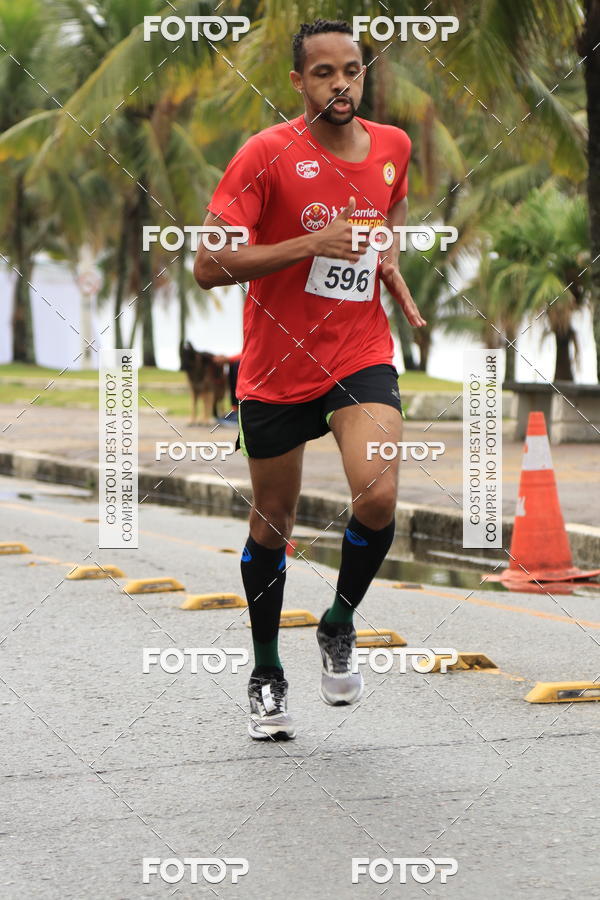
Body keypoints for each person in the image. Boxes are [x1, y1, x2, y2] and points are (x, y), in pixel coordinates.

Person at [194, 18, 426, 741]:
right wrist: (310, 244)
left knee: (379, 493)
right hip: (275, 368)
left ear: (364, 74)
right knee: (274, 526)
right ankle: (267, 672)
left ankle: (339, 623)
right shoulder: (265, 156)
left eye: (351, 70)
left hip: (359, 354)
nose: (339, 84)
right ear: (298, 82)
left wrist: (385, 258)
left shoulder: (393, 147)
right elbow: (208, 265)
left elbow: (387, 215)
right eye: (323, 73)